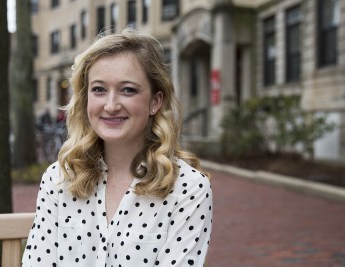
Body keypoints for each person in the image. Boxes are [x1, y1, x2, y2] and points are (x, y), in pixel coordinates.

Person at [22, 29, 213, 266]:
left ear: (155, 102)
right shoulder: (59, 178)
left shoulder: (188, 188)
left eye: (128, 90)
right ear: (86, 99)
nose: (111, 105)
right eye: (99, 89)